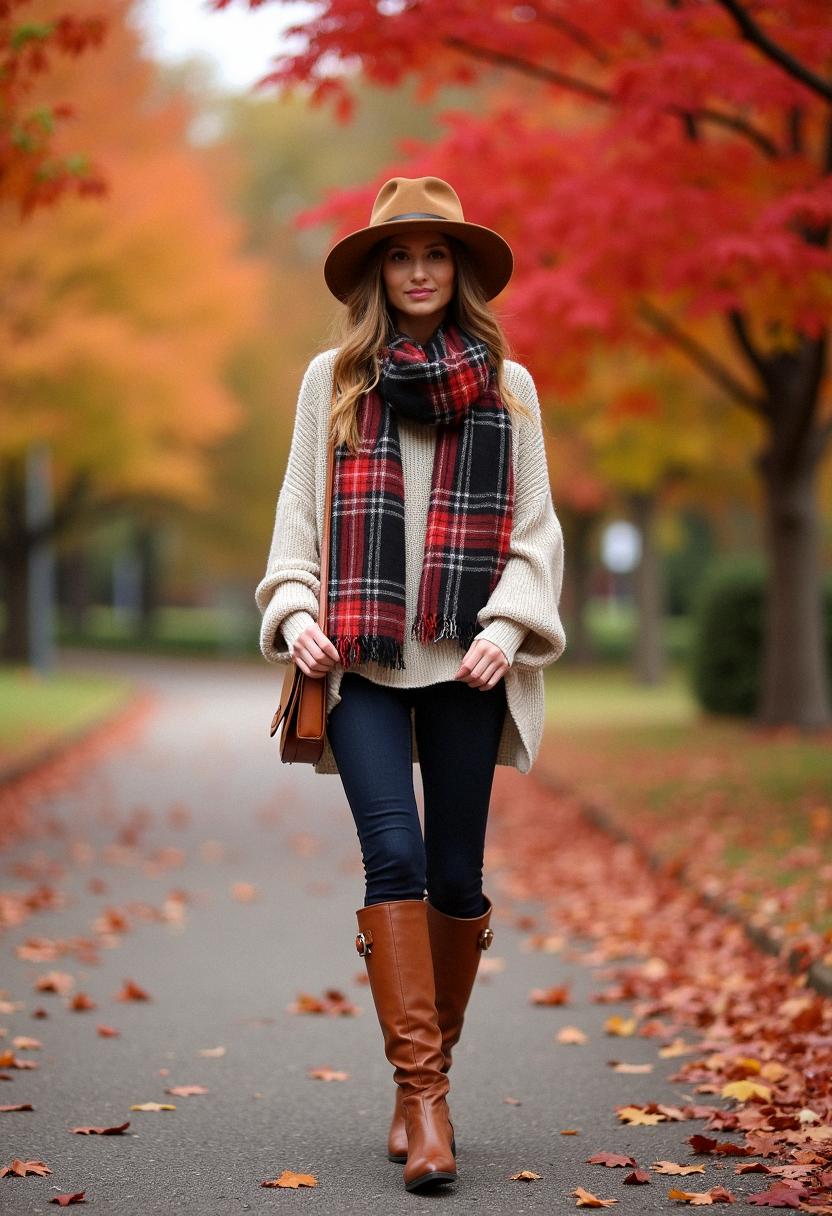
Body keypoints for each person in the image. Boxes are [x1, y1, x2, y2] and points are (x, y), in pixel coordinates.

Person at [255, 176, 566, 1193]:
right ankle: (425, 1096)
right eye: (401, 254)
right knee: (390, 857)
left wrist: (507, 624)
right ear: (378, 272)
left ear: (459, 270)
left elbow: (534, 532)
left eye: (435, 254)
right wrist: (297, 613)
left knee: (456, 880)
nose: (420, 271)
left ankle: (416, 1075)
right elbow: (297, 511)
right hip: (364, 665)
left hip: (465, 664)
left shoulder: (509, 387)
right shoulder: (332, 378)